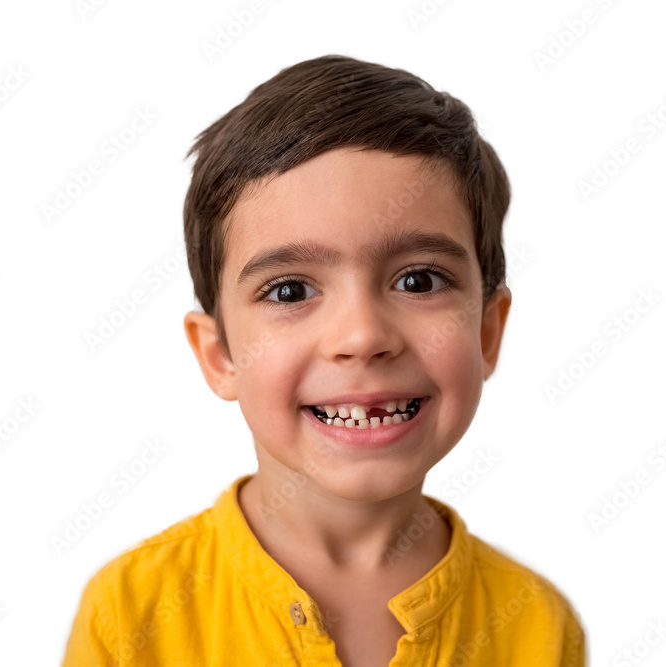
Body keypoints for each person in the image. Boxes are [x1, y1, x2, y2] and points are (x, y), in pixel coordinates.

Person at [62, 54, 585, 667]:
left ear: (487, 333)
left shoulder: (537, 625)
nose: (362, 336)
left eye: (418, 281)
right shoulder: (130, 614)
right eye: (289, 291)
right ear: (220, 355)